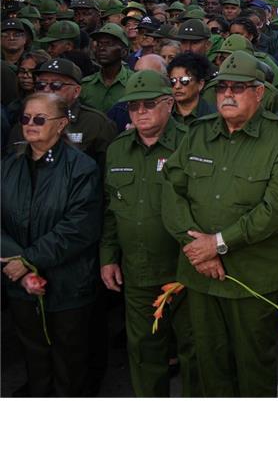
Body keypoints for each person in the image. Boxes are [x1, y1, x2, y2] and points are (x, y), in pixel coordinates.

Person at [162, 50, 278, 397]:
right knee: (209, 366)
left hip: (250, 278)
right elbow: (171, 190)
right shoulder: (198, 134)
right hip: (200, 275)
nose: (227, 94)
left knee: (253, 367)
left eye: (238, 88)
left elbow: (277, 208)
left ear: (258, 93)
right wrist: (198, 247)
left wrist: (219, 243)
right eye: (221, 87)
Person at [100, 70, 199, 397]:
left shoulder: (191, 142)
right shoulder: (117, 150)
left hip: (185, 268)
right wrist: (108, 257)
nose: (139, 112)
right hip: (138, 270)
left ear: (169, 104)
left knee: (194, 349)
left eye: (148, 104)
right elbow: (112, 205)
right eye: (132, 106)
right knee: (144, 352)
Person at [1, 92, 102, 396]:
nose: (30, 124)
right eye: (26, 118)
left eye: (40, 119)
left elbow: (78, 228)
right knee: (34, 360)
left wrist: (28, 261)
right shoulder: (8, 164)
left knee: (68, 364)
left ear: (61, 124)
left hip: (67, 287)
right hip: (19, 284)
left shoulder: (82, 168)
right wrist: (19, 266)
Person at [81, 24, 133, 114]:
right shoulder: (86, 85)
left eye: (109, 44)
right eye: (99, 44)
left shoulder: (133, 83)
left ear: (123, 51)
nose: (102, 48)